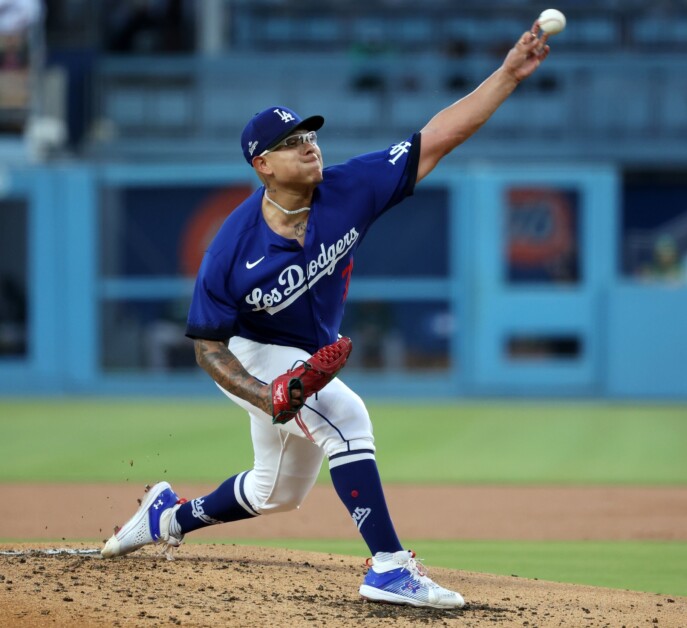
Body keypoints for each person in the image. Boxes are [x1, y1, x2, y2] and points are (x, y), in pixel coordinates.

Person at [100, 21, 554, 609]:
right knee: (345, 414)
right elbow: (207, 346)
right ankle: (389, 567)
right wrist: (268, 395)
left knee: (276, 492)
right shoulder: (231, 248)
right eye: (291, 142)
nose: (309, 143)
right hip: (250, 351)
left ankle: (169, 516)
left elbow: (438, 137)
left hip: (306, 352)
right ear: (262, 164)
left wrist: (508, 75)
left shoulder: (350, 187)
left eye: (309, 134)